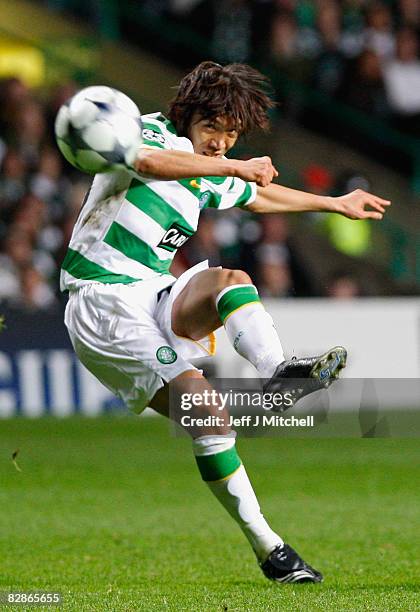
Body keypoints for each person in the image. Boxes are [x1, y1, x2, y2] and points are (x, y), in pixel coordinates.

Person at [61, 62, 390, 584]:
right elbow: (149, 162)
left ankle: (280, 373)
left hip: (152, 291)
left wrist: (333, 203)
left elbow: (258, 196)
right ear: (188, 116)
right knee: (208, 415)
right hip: (102, 303)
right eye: (213, 129)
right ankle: (271, 549)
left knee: (228, 279)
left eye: (231, 135)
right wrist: (233, 167)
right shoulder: (148, 134)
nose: (220, 144)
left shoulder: (208, 173)